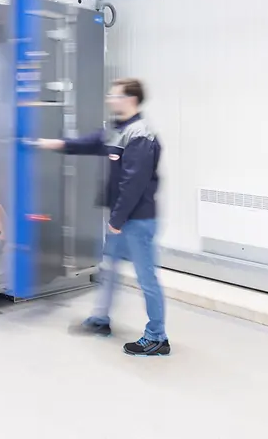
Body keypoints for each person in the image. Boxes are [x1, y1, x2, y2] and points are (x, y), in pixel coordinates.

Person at [33, 77, 168, 357]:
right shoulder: (116, 130)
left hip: (137, 220)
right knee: (109, 272)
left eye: (114, 95)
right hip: (120, 219)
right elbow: (87, 143)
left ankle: (157, 337)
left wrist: (117, 221)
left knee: (147, 279)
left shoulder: (140, 134)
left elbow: (134, 183)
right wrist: (47, 143)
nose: (110, 99)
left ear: (130, 99)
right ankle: (101, 319)